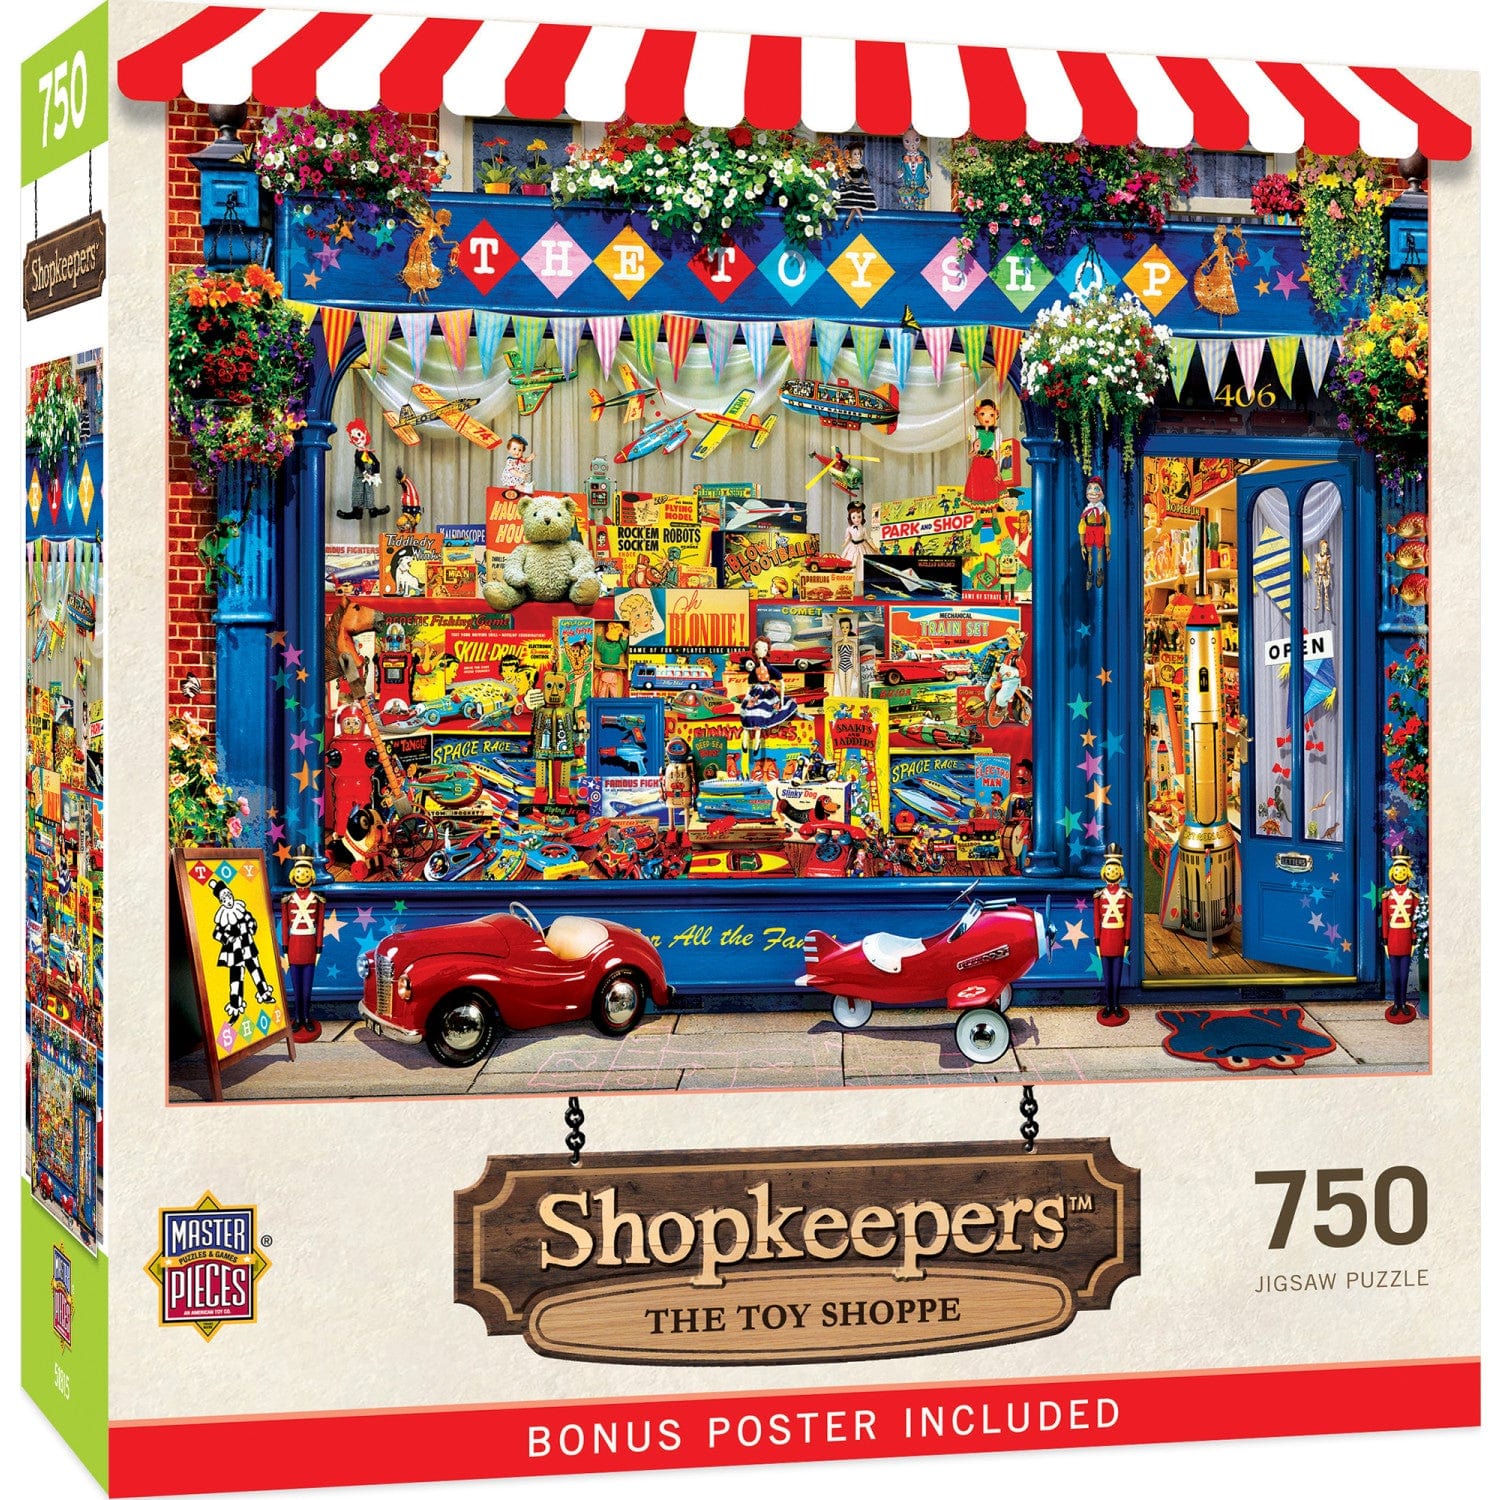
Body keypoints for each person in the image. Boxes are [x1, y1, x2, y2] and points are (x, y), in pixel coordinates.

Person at [208, 876, 276, 1025]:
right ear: (221, 901)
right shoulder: (223, 917)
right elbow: (216, 933)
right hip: (234, 952)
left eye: (229, 895)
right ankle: (235, 1008)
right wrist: (228, 938)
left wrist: (251, 928)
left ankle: (264, 994)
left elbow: (252, 921)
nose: (228, 899)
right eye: (224, 898)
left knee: (256, 970)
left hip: (248, 946)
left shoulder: (241, 910)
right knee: (236, 979)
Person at [280, 846, 325, 1042]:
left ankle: (306, 1017)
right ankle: (297, 1018)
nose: (302, 874)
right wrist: (285, 947)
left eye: (306, 871)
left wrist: (318, 948)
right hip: (293, 946)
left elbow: (320, 925)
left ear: (311, 874)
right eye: (299, 871)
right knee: (296, 986)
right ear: (293, 874)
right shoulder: (287, 899)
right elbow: (285, 926)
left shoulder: (318, 899)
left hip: (309, 946)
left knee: (307, 987)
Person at [736, 637, 798, 777]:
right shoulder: (754, 669)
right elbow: (750, 685)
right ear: (754, 651)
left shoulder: (770, 668)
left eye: (764, 649)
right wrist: (747, 698)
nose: (761, 652)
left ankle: (757, 742)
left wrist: (781, 699)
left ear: (767, 651)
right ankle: (745, 741)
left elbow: (782, 682)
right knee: (747, 716)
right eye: (758, 649)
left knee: (761, 715)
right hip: (755, 693)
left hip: (767, 694)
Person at [1093, 844, 1132, 1026]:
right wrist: (1097, 942)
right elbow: (1096, 920)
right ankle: (1108, 1006)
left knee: (1117, 976)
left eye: (1115, 869)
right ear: (1104, 871)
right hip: (1105, 939)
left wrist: (1127, 942)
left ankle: (1116, 1005)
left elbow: (1129, 919)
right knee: (1107, 977)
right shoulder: (1098, 894)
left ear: (1120, 871)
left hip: (1119, 939)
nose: (1112, 871)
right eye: (1109, 868)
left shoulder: (1126, 894)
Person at [1380, 845, 1419, 1023]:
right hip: (1393, 937)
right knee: (1395, 974)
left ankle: (1403, 1003)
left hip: (1406, 938)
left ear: (1407, 873)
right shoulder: (1387, 896)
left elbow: (1415, 921)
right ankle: (1396, 1003)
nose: (1400, 873)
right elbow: (1385, 919)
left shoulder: (1413, 896)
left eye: (1402, 870)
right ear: (1392, 873)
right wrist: (1385, 940)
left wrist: (1414, 940)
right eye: (1397, 870)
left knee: (1404, 975)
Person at [338, 420, 387, 520]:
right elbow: (359, 463)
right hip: (360, 476)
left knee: (369, 492)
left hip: (369, 476)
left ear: (365, 433)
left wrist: (376, 475)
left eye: (359, 434)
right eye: (354, 437)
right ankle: (357, 511)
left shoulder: (369, 453)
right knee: (358, 492)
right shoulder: (358, 453)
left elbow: (377, 463)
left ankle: (372, 510)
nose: (357, 439)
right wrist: (365, 473)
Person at [965, 399, 1004, 502]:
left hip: (990, 464)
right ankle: (979, 512)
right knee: (978, 490)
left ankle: (994, 512)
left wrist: (998, 473)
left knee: (992, 490)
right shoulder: (974, 431)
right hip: (977, 464)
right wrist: (974, 451)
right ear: (977, 414)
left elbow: (998, 456)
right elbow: (970, 454)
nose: (987, 417)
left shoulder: (996, 432)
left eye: (991, 415)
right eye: (983, 414)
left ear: (996, 415)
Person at [1078, 475, 1111, 590]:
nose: (1092, 492)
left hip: (1099, 530)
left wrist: (1108, 546)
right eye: (1089, 488)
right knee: (1089, 552)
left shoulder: (1103, 511)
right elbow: (1082, 527)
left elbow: (1107, 528)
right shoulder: (1086, 511)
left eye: (1096, 489)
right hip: (1089, 530)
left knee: (1100, 551)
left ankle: (1099, 571)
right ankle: (1090, 572)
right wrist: (1082, 545)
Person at [841, 498, 875, 593]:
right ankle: (850, 592)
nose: (857, 519)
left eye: (859, 517)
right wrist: (844, 544)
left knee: (862, 569)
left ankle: (864, 591)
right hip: (852, 548)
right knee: (851, 569)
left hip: (862, 548)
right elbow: (847, 538)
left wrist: (874, 547)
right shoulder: (849, 529)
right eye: (854, 517)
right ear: (850, 518)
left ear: (862, 517)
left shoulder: (863, 529)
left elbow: (868, 539)